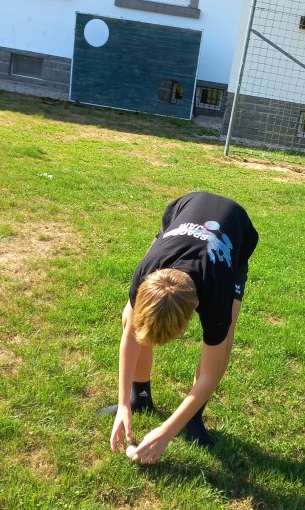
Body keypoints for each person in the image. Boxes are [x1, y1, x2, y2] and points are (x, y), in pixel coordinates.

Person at [107, 191, 259, 465]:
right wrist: (123, 404)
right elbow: (131, 332)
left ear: (193, 312)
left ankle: (193, 417)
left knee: (222, 342)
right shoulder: (146, 272)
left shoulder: (215, 294)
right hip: (185, 208)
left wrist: (168, 431)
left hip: (234, 230)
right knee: (128, 317)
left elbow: (211, 374)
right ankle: (139, 396)